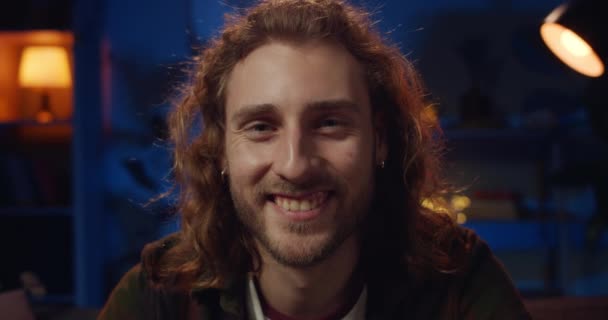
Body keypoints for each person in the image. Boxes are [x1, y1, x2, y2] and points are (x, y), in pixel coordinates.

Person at [98, 0, 531, 319]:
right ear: (219, 150)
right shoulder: (162, 294)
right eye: (261, 127)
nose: (295, 165)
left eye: (329, 123)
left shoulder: (455, 279)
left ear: (380, 141)